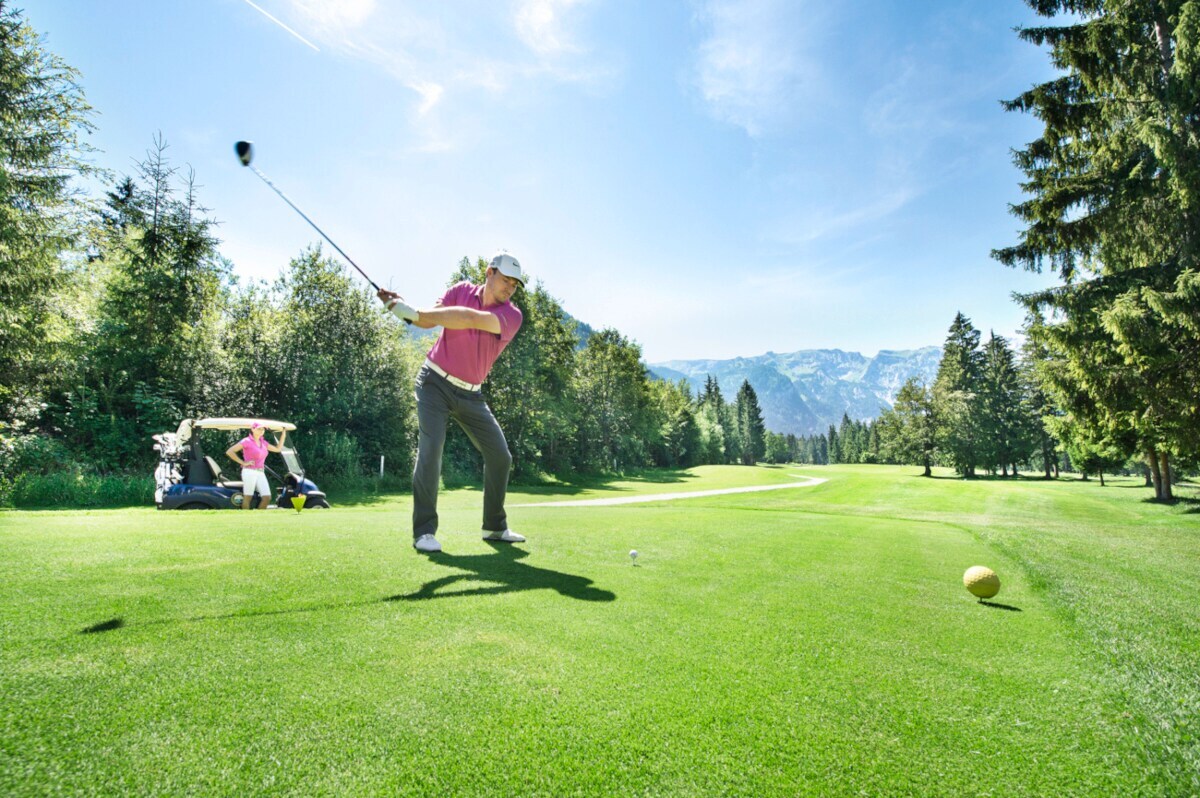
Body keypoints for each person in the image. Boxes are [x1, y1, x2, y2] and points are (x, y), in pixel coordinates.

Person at [377, 251, 527, 553]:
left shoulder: (512, 315)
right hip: (434, 383)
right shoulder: (460, 290)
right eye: (505, 280)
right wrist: (402, 309)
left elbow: (469, 318)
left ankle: (494, 527)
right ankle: (424, 532)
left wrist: (414, 312)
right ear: (489, 272)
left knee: (501, 456)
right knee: (431, 451)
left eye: (514, 285)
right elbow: (428, 319)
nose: (509, 288)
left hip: (471, 394)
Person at [225, 422, 287, 510]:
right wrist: (243, 462)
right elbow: (230, 451)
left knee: (267, 497)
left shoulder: (263, 442)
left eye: (263, 429)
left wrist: (283, 435)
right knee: (248, 497)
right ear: (253, 429)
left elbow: (278, 449)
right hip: (249, 472)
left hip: (260, 472)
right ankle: (246, 518)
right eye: (259, 429)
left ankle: (258, 517)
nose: (261, 431)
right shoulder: (246, 441)